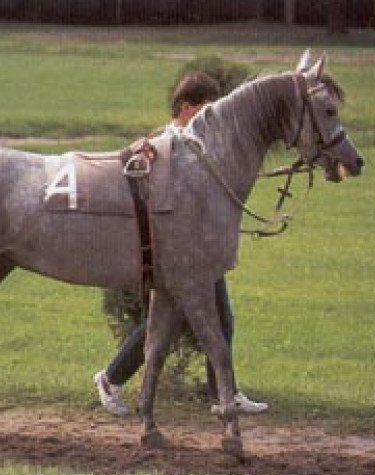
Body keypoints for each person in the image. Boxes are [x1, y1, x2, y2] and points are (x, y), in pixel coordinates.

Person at [94, 72, 268, 416]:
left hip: (201, 247)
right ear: (186, 107)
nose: (210, 116)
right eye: (204, 109)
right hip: (174, 250)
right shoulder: (163, 142)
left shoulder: (198, 141)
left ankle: (224, 392)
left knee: (222, 318)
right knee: (165, 323)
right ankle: (110, 378)